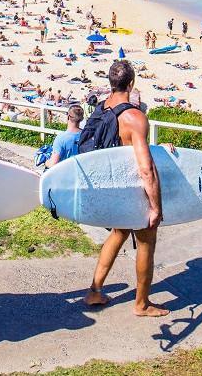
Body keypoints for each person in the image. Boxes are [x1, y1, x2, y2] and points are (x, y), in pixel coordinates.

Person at [83, 60, 171, 317]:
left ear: (111, 82)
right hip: (132, 189)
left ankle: (94, 291)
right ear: (131, 84)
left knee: (119, 232)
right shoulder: (134, 117)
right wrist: (155, 207)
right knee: (146, 241)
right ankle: (142, 304)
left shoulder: (101, 108)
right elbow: (146, 168)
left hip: (109, 186)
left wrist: (160, 149)